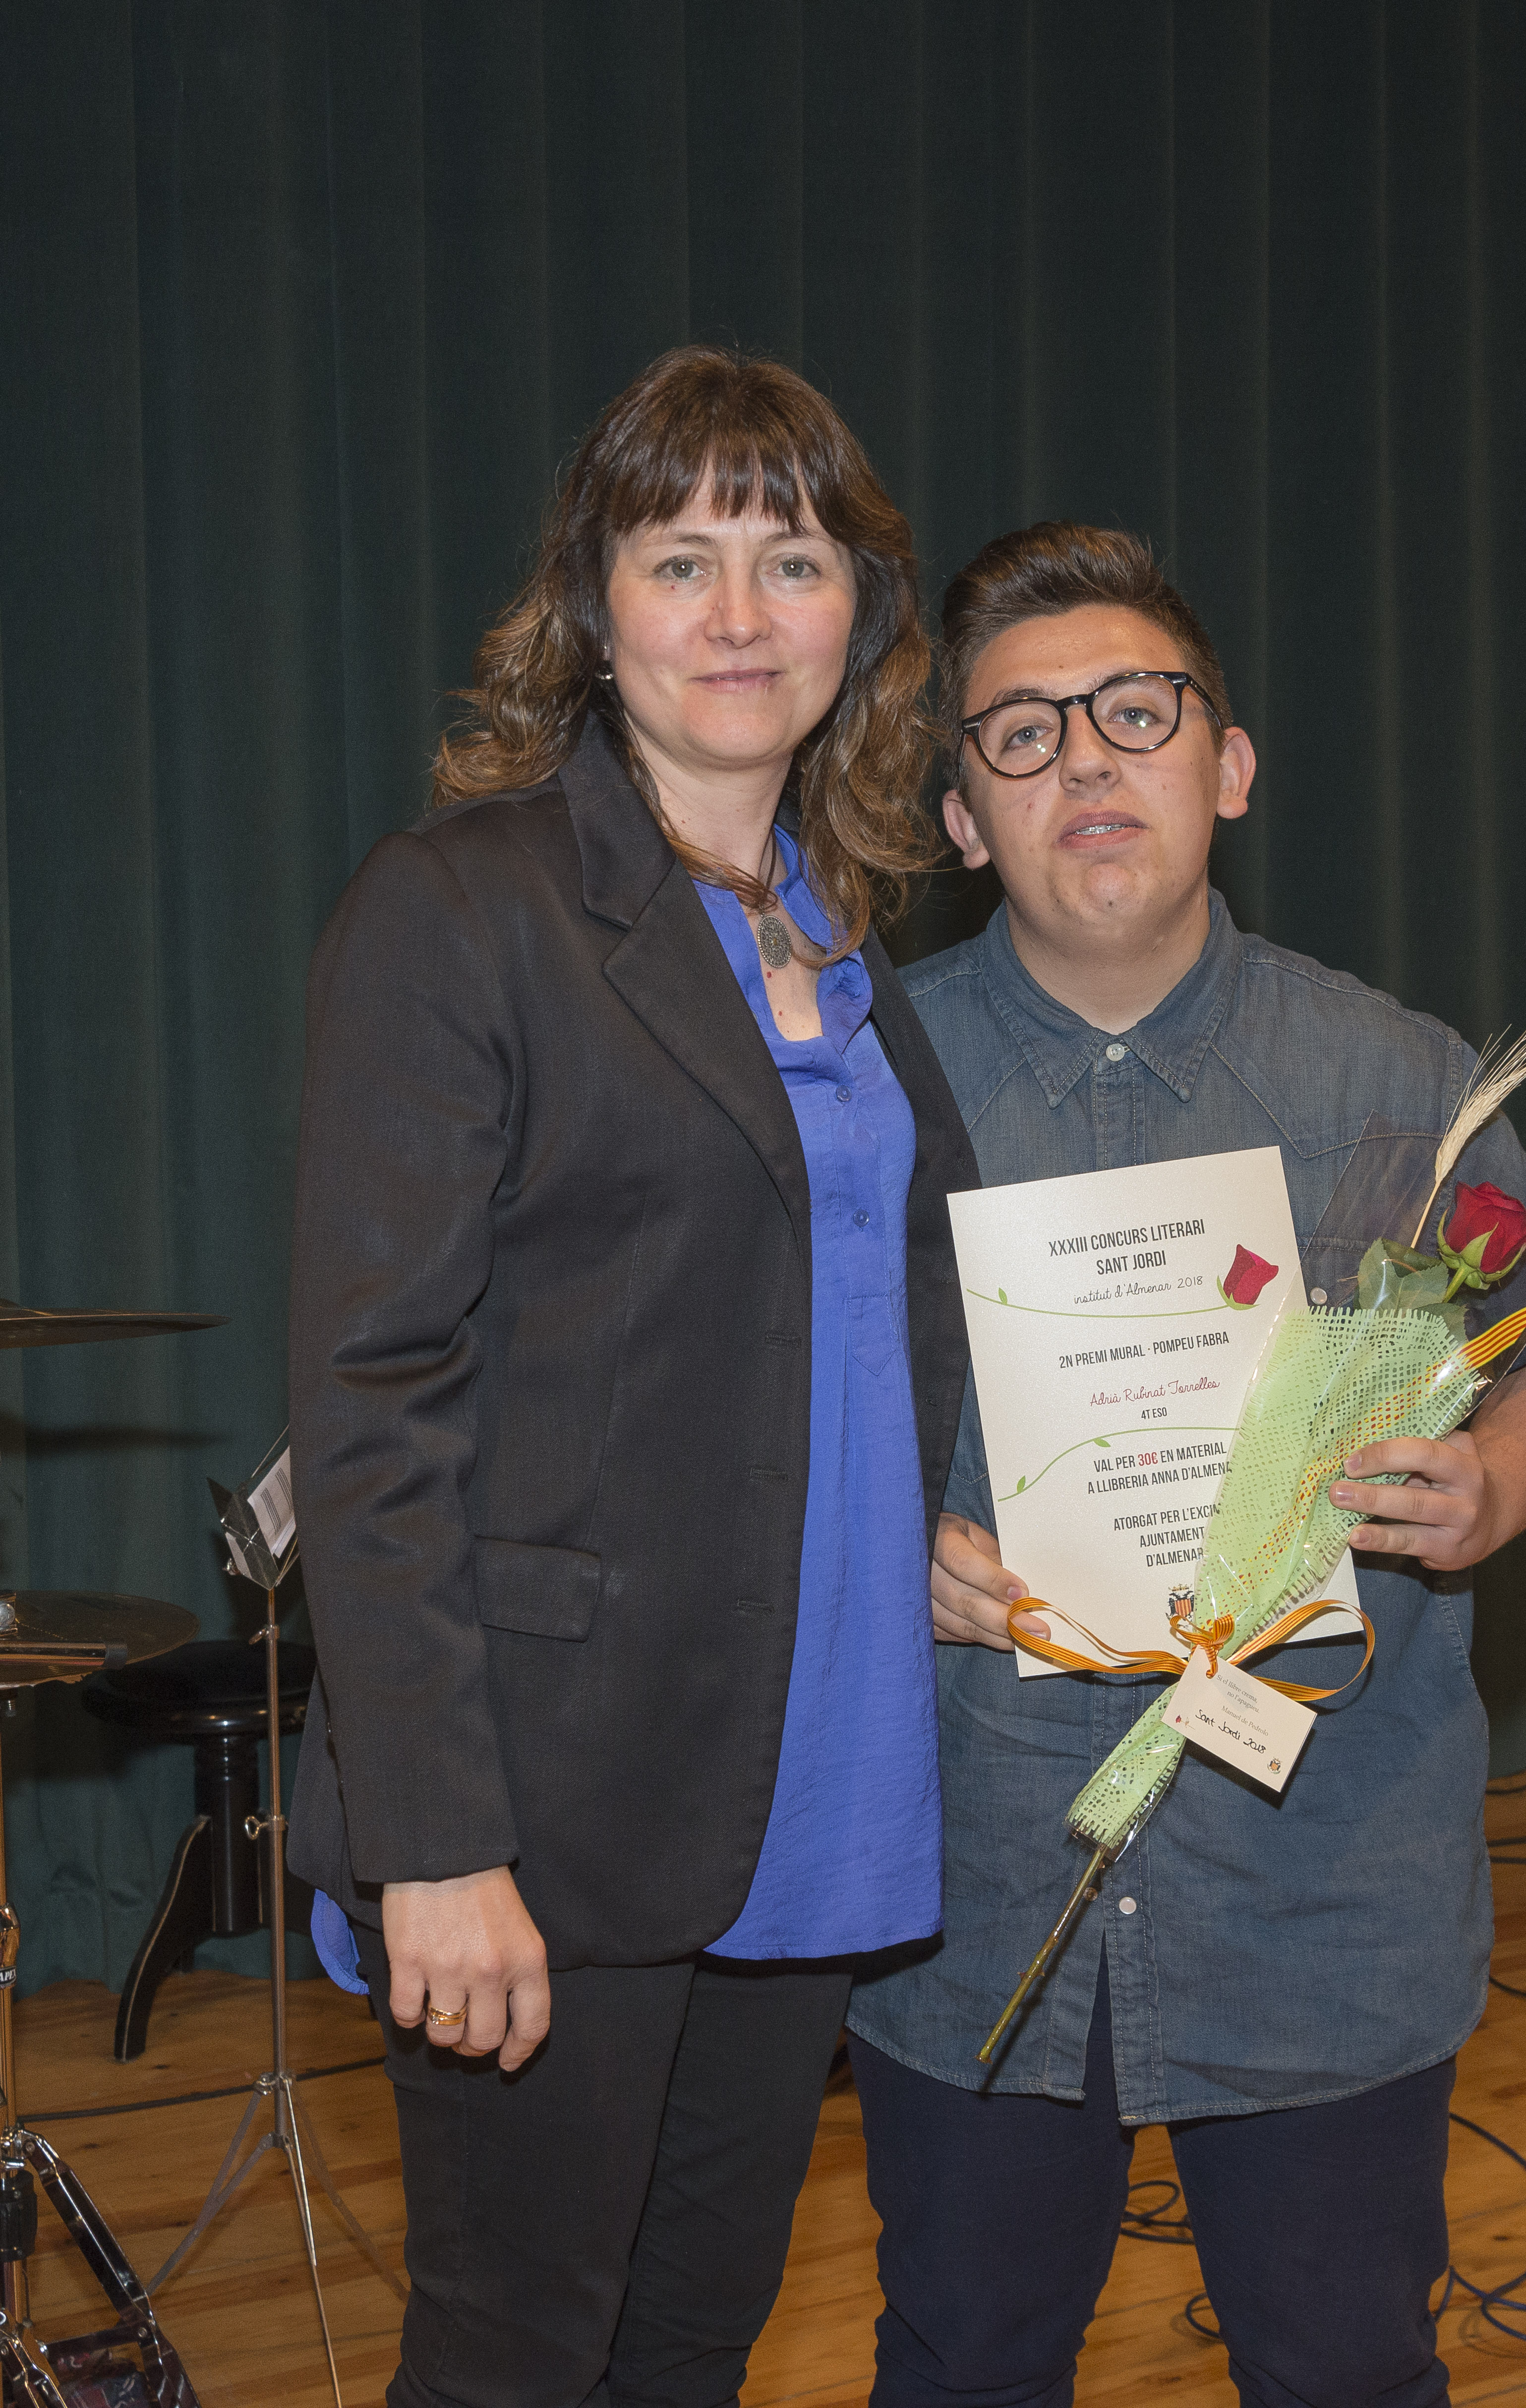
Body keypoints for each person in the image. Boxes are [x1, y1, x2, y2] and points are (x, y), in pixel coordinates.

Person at [844, 522, 1526, 2408]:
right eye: (1021, 734)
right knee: (960, 2362)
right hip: (979, 1884)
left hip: (1321, 1894)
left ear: (1233, 762)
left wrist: (1493, 1486)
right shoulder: (867, 1085)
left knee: (1346, 2365)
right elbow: (745, 1421)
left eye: (1138, 710)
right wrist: (883, 1541)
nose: (1086, 762)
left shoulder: (1393, 1077)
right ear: (961, 819)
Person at [286, 346, 975, 2408]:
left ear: (861, 611)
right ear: (594, 609)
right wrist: (434, 1840)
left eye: (793, 561)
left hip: (810, 1774)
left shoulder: (839, 932)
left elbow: (814, 1321)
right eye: (682, 560)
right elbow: (373, 1400)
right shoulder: (463, 908)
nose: (741, 614)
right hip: (552, 1797)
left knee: (689, 2345)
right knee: (516, 2355)